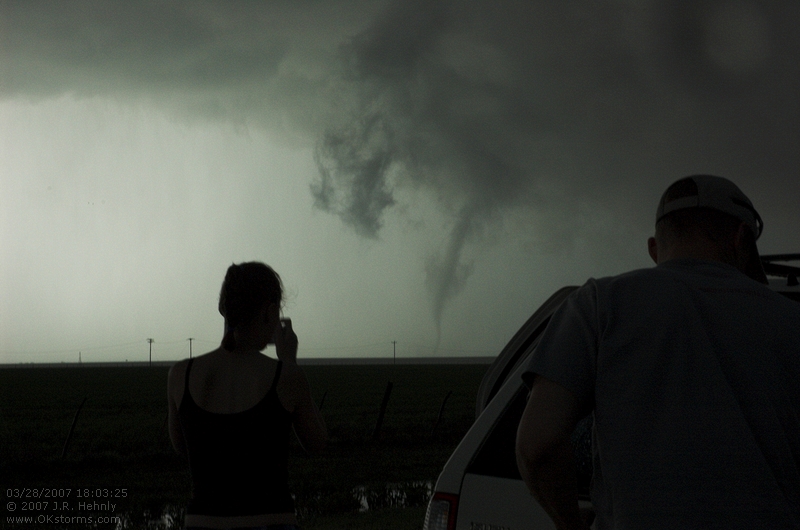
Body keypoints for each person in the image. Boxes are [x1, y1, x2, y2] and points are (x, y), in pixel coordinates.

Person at [515, 175, 800, 529]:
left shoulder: (598, 305)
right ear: (742, 238)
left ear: (654, 248)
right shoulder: (791, 320)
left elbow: (537, 444)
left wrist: (570, 525)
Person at [168, 262, 327, 530]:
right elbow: (317, 443)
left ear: (224, 309)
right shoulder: (285, 376)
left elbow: (183, 447)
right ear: (269, 312)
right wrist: (289, 361)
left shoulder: (181, 375)